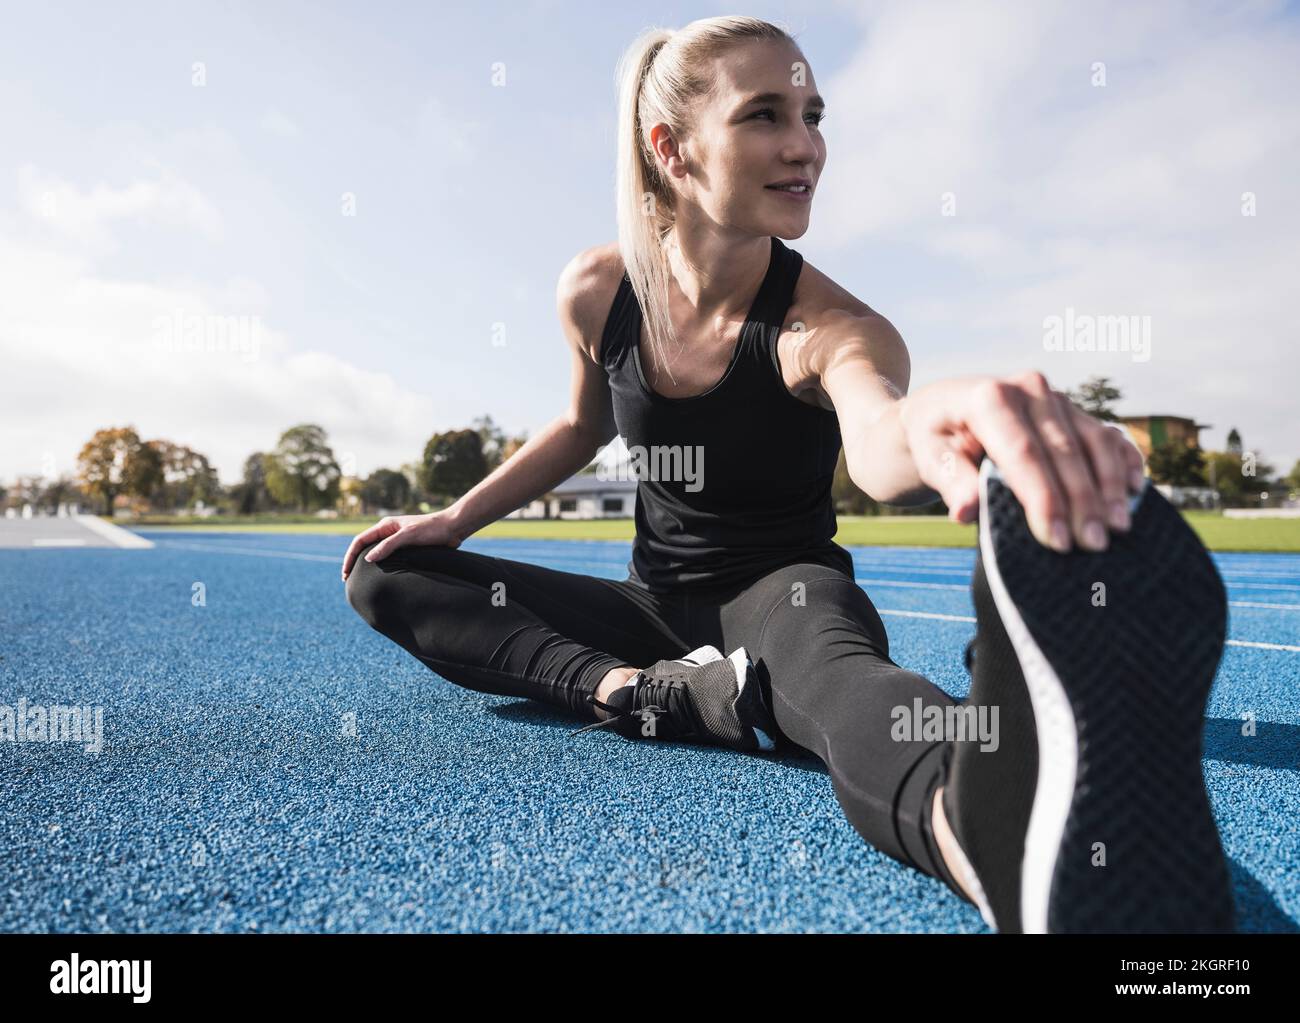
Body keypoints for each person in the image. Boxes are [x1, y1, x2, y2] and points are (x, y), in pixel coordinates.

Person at [341, 16, 1234, 934]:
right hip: (649, 609)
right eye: (766, 115)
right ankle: (631, 692)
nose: (805, 145)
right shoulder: (597, 292)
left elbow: (881, 436)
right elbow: (579, 424)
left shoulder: (831, 328)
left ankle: (987, 819)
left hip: (786, 603)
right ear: (672, 148)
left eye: (813, 115)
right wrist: (455, 518)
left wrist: (940, 418)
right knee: (386, 569)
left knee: (843, 687)